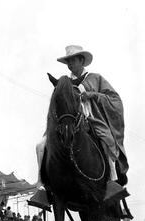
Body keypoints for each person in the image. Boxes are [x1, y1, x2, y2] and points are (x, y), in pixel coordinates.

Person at [31, 45, 129, 207]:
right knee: (40, 145)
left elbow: (115, 100)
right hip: (67, 123)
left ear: (81, 60)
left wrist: (93, 95)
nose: (70, 64)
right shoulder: (64, 82)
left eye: (73, 60)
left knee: (107, 140)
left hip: (92, 120)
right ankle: (42, 186)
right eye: (67, 61)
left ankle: (112, 180)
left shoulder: (96, 78)